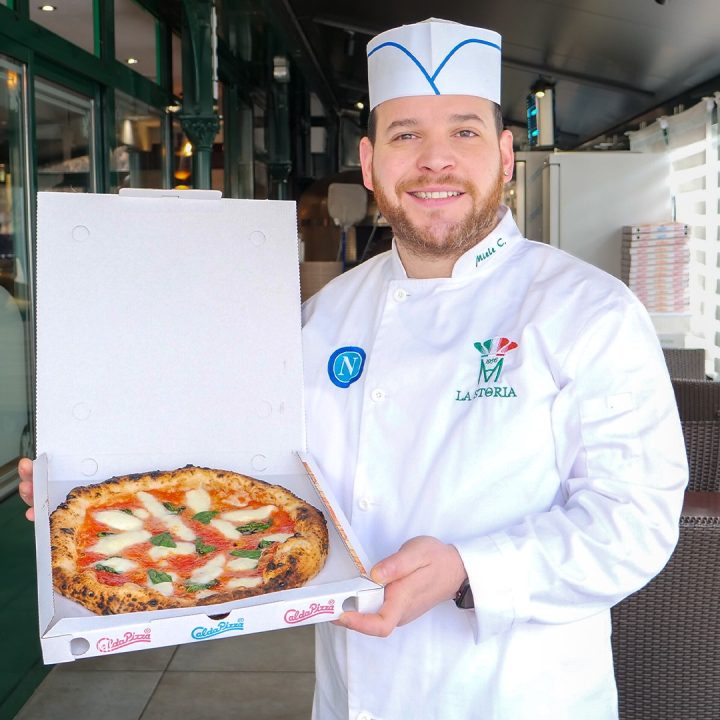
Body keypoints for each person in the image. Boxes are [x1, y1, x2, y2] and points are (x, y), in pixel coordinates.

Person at [19, 17, 687, 720]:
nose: (435, 161)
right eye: (406, 135)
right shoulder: (323, 316)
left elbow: (636, 520)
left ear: (504, 156)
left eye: (464, 132)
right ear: (369, 163)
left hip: (518, 696)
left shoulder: (591, 312)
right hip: (351, 694)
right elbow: (243, 460)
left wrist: (470, 569)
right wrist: (106, 479)